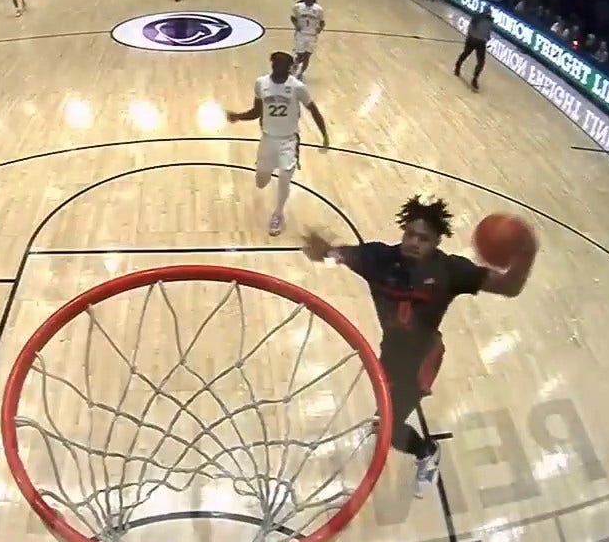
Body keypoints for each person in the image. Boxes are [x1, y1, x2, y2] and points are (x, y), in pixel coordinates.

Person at [300, 197, 538, 497]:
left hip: (422, 359)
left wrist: (525, 257)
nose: (413, 242)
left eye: (423, 238)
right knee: (386, 415)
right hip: (391, 350)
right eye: (409, 234)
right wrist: (325, 252)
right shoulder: (378, 258)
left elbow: (510, 287)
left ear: (437, 242)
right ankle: (392, 424)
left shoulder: (451, 271)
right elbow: (337, 256)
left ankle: (427, 451)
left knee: (390, 429)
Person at [225, 51, 329, 236]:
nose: (276, 69)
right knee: (261, 180)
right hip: (268, 138)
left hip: (289, 140)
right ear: (271, 65)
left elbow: (314, 110)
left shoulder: (297, 87)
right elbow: (256, 112)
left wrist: (325, 136)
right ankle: (263, 169)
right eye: (274, 65)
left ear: (289, 68)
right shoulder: (261, 83)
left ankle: (278, 214)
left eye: (281, 66)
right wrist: (238, 116)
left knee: (284, 178)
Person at [454, 7, 492, 91]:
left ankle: (474, 78)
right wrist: (472, 37)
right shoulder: (477, 17)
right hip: (473, 40)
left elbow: (488, 32)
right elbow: (470, 28)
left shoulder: (489, 20)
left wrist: (487, 37)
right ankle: (458, 66)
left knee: (480, 62)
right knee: (466, 54)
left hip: (480, 42)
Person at [290, 0, 324, 79]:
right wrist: (296, 24)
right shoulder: (298, 7)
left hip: (312, 35)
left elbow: (322, 21)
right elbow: (293, 17)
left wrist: (320, 28)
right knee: (300, 55)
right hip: (301, 34)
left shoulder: (318, 9)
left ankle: (300, 73)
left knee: (307, 56)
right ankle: (293, 67)